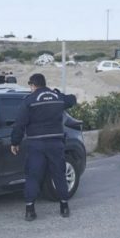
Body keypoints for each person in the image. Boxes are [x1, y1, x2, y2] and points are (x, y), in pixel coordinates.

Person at [10, 73, 76, 221]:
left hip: (36, 144)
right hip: (56, 143)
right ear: (44, 83)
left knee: (33, 176)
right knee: (59, 174)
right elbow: (72, 100)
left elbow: (19, 124)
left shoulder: (29, 100)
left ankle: (30, 210)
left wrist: (15, 142)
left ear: (33, 85)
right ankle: (64, 207)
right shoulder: (57, 97)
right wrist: (58, 93)